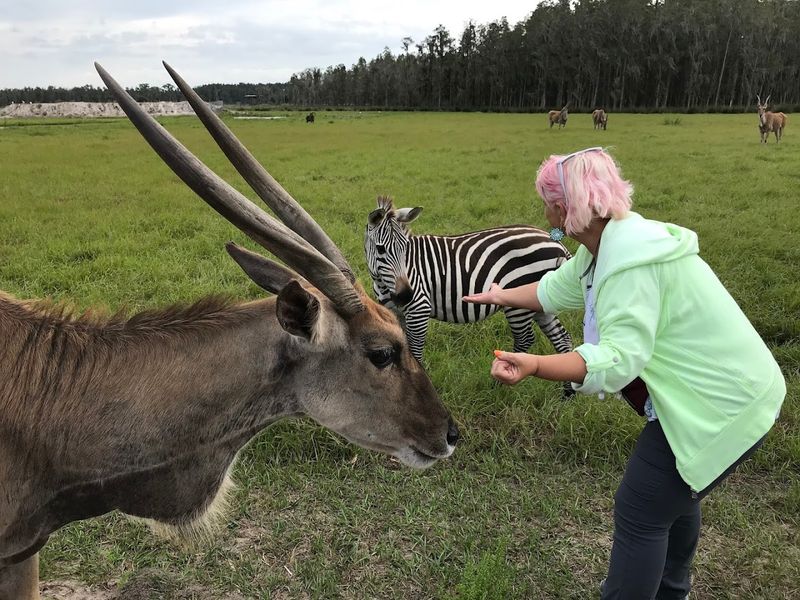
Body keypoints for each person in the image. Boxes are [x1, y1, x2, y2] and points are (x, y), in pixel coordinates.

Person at [463, 147, 786, 600]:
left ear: (565, 207)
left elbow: (616, 360)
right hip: (728, 392)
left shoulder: (628, 263)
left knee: (640, 509)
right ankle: (672, 591)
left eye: (547, 203)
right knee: (674, 495)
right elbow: (555, 288)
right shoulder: (606, 246)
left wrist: (534, 363)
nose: (544, 212)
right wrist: (501, 296)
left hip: (723, 405)